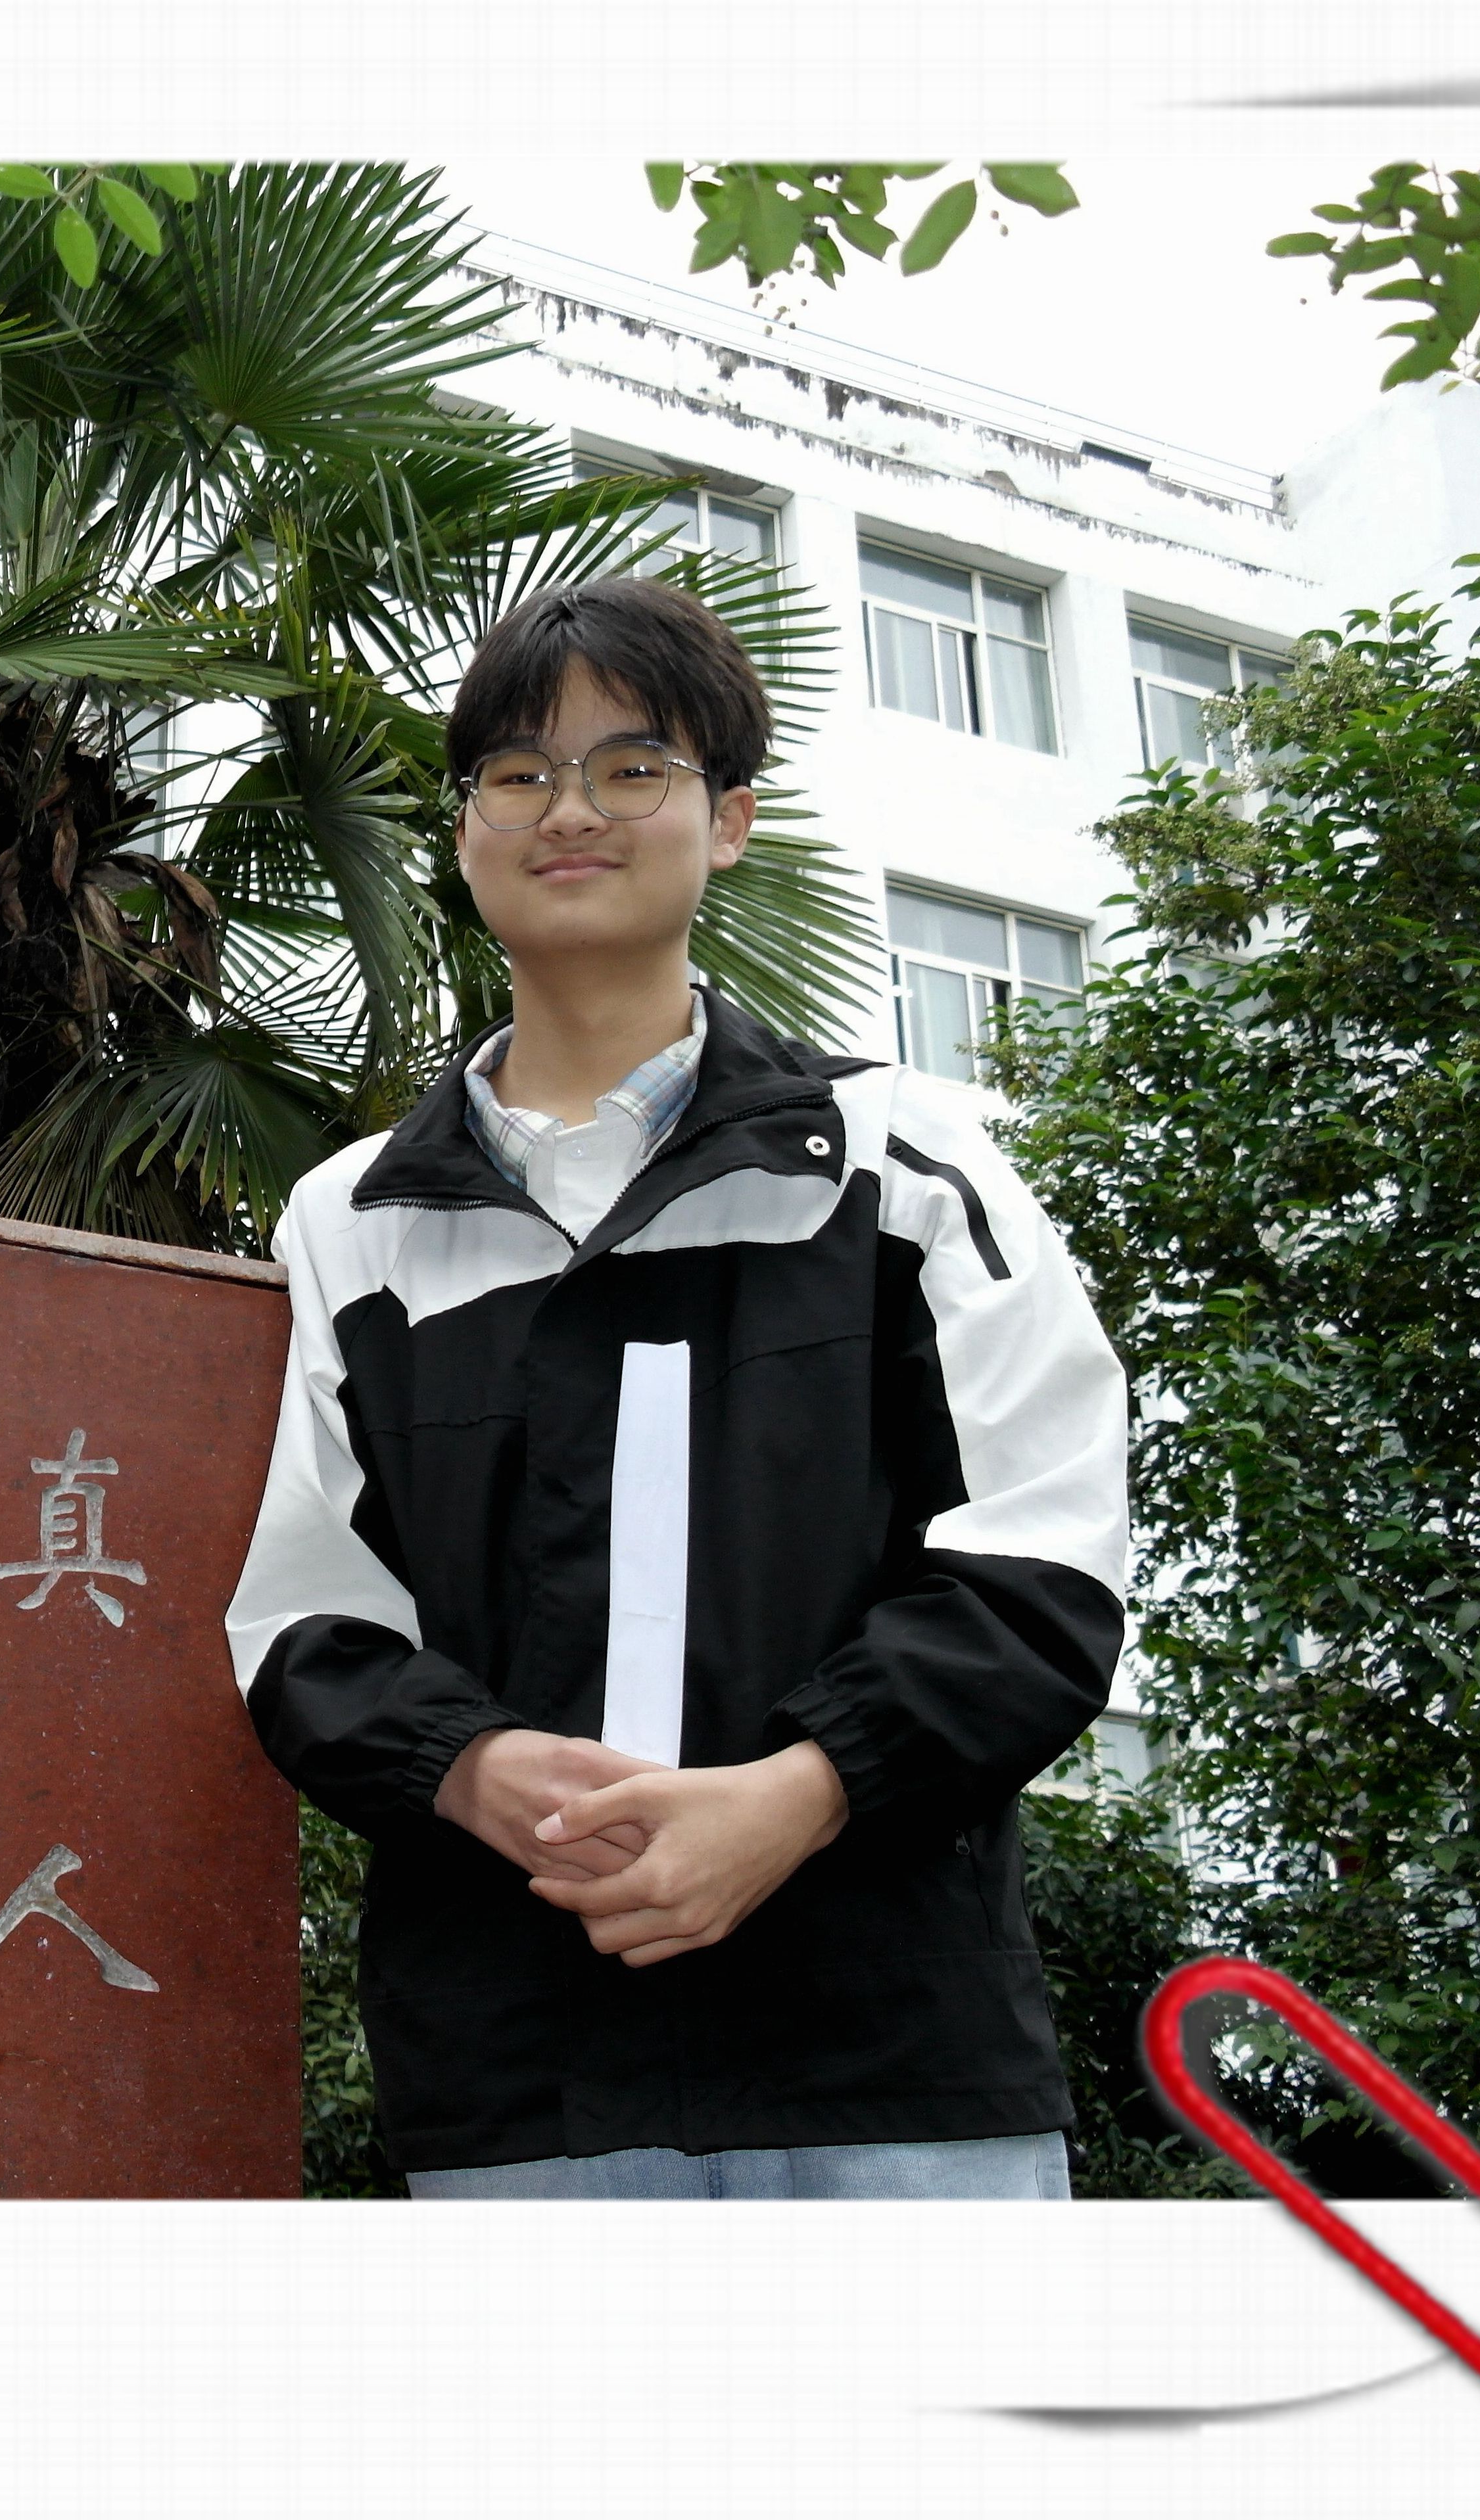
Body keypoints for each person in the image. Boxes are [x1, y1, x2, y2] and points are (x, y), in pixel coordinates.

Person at [224, 576, 1127, 2199]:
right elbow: (300, 1620)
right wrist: (465, 1767)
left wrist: (801, 1792)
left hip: (888, 2078)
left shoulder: (899, 1160)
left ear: (730, 820)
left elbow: (1043, 1557)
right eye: (518, 773)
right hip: (517, 2089)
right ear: (463, 831)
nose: (569, 811)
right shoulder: (350, 1222)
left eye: (631, 767)